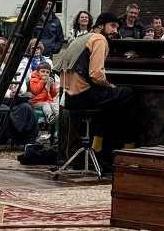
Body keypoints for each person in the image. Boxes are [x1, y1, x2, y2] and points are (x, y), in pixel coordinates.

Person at [59, 11, 138, 168]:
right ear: (100, 26)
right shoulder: (99, 39)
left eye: (117, 28)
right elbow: (96, 75)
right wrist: (109, 84)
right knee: (129, 93)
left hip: (70, 97)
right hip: (85, 96)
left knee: (110, 102)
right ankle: (128, 148)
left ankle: (100, 147)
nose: (115, 31)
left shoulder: (80, 39)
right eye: (112, 26)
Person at [28, 61, 59, 128]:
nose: (45, 74)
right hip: (36, 102)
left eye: (47, 72)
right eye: (43, 71)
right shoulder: (34, 80)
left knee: (54, 104)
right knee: (45, 104)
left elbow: (54, 95)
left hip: (48, 101)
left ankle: (59, 115)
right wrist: (42, 82)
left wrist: (52, 87)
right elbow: (35, 90)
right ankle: (50, 116)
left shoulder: (50, 80)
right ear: (38, 72)